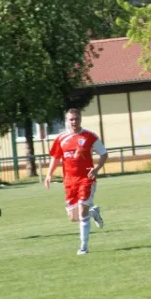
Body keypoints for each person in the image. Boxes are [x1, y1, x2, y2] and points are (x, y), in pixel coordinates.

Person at [44, 108, 108, 255]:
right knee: (74, 218)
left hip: (86, 179)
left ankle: (83, 247)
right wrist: (49, 175)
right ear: (67, 121)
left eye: (76, 119)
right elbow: (55, 157)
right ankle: (93, 212)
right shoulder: (61, 138)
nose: (74, 122)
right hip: (69, 181)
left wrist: (97, 168)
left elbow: (103, 154)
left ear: (80, 119)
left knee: (81, 212)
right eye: (71, 119)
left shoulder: (89, 136)